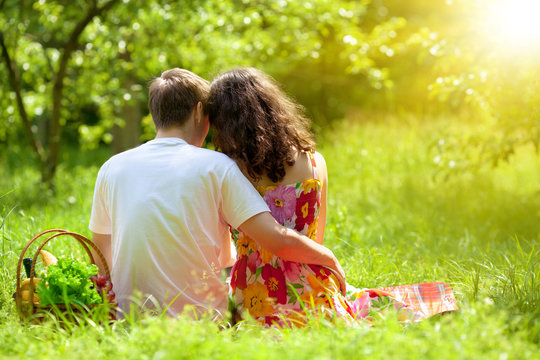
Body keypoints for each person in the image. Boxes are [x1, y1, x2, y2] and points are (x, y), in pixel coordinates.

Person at [206, 67, 458, 326]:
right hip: (313, 287)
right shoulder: (315, 161)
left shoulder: (228, 170)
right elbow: (315, 240)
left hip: (253, 294)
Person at [89, 68, 346, 319]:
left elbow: (101, 255)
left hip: (128, 315)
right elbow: (277, 241)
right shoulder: (217, 166)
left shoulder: (111, 167)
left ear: (155, 113)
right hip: (204, 315)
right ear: (200, 112)